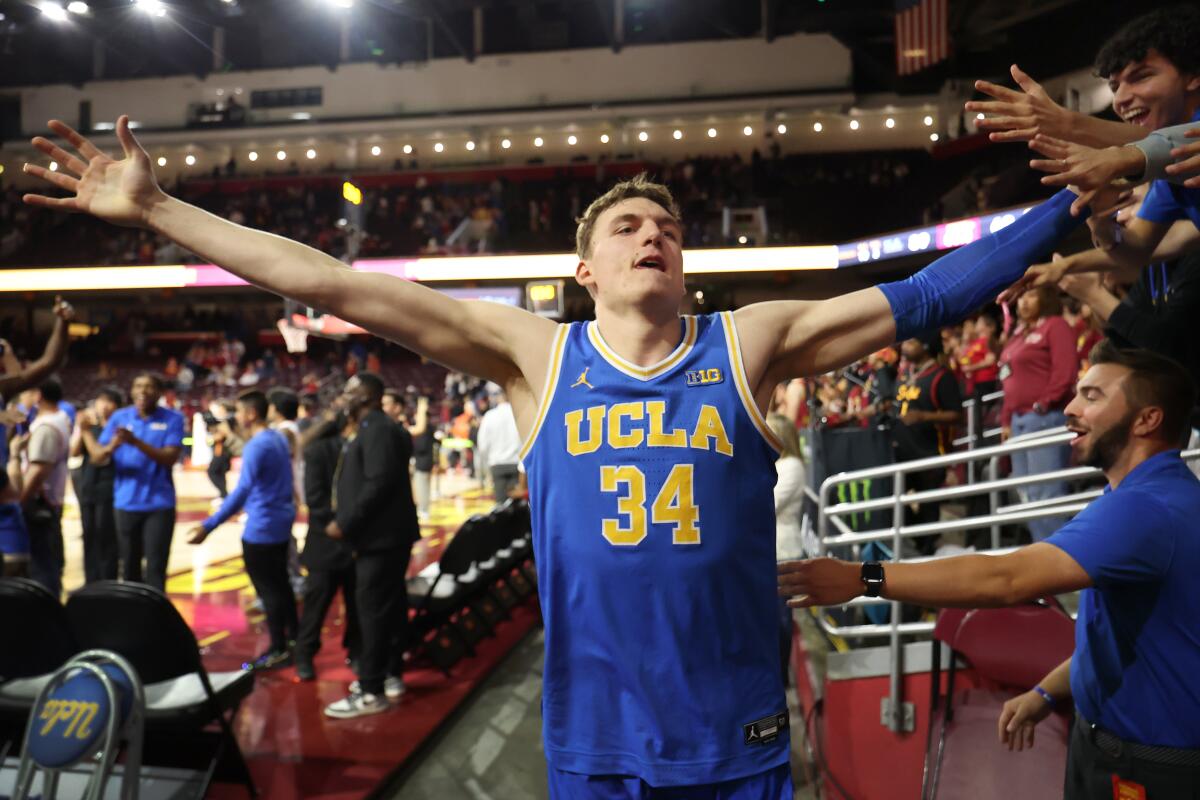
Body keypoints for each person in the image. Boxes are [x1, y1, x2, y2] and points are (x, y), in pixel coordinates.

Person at [22, 115, 1105, 793]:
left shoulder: (752, 338)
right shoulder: (535, 353)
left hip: (741, 734)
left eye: (668, 227)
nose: (654, 235)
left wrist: (1070, 204)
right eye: (629, 225)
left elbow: (926, 298)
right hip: (596, 739)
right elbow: (332, 285)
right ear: (585, 268)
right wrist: (160, 207)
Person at [779, 341, 1200, 800]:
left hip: (1149, 764)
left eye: (1093, 396)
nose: (1070, 409)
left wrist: (865, 577)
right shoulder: (1141, 498)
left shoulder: (1145, 509)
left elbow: (1004, 580)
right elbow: (1122, 636)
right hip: (1110, 744)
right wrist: (1045, 693)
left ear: (1147, 419)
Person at [323, 373, 420, 718]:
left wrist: (345, 522)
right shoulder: (374, 427)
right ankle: (390, 674)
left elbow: (378, 483)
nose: (345, 396)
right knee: (388, 609)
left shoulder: (377, 428)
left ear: (367, 394)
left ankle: (370, 690)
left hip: (381, 538)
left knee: (373, 612)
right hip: (388, 536)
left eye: (351, 390)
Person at [188, 390, 298, 670]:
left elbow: (241, 491)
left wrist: (208, 525)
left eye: (238, 411)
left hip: (261, 526)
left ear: (250, 414)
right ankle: (295, 639)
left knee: (269, 591)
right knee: (281, 584)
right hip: (281, 521)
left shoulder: (257, 446)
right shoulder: (276, 438)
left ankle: (278, 649)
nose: (235, 416)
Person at [0, 299, 75, 578]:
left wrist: (63, 322)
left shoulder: (4, 389)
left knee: (16, 575)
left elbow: (49, 362)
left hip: (5, 500)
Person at [1000, 285, 1077, 542]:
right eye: (1020, 296)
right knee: (1027, 497)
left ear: (1045, 298)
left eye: (1031, 294)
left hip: (1045, 418)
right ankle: (1042, 560)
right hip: (1018, 422)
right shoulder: (1018, 334)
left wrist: (1043, 405)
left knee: (1047, 495)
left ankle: (1061, 566)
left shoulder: (1055, 326)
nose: (1023, 301)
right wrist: (1005, 420)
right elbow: (1009, 381)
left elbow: (1065, 372)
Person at [96, 373, 184, 590]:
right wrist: (111, 446)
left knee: (156, 568)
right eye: (138, 385)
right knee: (129, 568)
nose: (142, 391)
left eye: (149, 386)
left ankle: (155, 619)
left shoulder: (173, 418)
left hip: (159, 504)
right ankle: (131, 618)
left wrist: (135, 441)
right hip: (125, 502)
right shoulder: (119, 417)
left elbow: (170, 458)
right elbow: (97, 457)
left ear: (160, 392)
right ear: (132, 390)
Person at [294, 408, 360, 682]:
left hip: (352, 538)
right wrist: (336, 524)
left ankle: (356, 651)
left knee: (356, 604)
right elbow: (315, 498)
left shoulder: (358, 446)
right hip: (326, 541)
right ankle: (304, 655)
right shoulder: (319, 451)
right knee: (316, 606)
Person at [10, 379, 72, 597]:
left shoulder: (46, 426)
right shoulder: (61, 418)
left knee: (41, 566)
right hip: (51, 496)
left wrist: (19, 500)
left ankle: (45, 617)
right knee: (47, 560)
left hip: (39, 501)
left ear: (37, 396)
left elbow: (38, 471)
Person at [72, 386, 123, 583]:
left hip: (108, 488)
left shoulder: (118, 430)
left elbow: (98, 457)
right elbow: (75, 452)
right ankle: (90, 581)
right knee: (89, 536)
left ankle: (106, 581)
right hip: (88, 487)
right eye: (100, 400)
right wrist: (81, 429)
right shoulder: (91, 428)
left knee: (106, 537)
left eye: (109, 401)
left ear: (117, 407)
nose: (103, 405)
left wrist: (84, 431)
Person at [475, 386, 522, 502]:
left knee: (501, 505)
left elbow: (482, 444)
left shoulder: (490, 416)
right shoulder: (518, 413)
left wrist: (488, 461)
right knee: (517, 505)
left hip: (497, 464)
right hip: (516, 463)